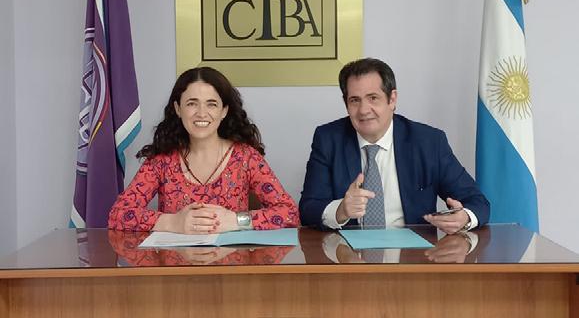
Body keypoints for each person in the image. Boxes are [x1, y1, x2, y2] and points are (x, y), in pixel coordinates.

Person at [299, 58, 489, 234]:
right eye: (355, 100)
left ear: (392, 99)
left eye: (373, 98)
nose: (363, 110)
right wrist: (340, 211)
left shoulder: (429, 142)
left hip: (414, 254)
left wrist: (464, 218)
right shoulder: (328, 139)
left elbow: (477, 202)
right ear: (345, 103)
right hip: (347, 254)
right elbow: (308, 209)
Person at [109, 67, 299, 233]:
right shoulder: (161, 161)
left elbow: (289, 213)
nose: (201, 113)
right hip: (174, 262)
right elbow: (118, 214)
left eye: (211, 104)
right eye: (192, 103)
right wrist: (173, 222)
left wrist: (236, 221)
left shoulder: (246, 157)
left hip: (233, 262)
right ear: (178, 108)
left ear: (224, 111)